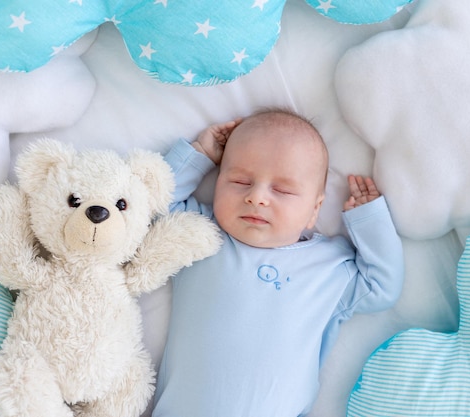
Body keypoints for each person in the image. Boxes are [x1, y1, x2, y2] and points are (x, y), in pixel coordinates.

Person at [152, 108, 404, 417]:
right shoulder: (200, 233)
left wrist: (369, 221)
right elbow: (149, 209)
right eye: (241, 181)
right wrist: (200, 154)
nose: (257, 197)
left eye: (282, 189)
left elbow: (381, 287)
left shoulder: (329, 268)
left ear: (314, 210)